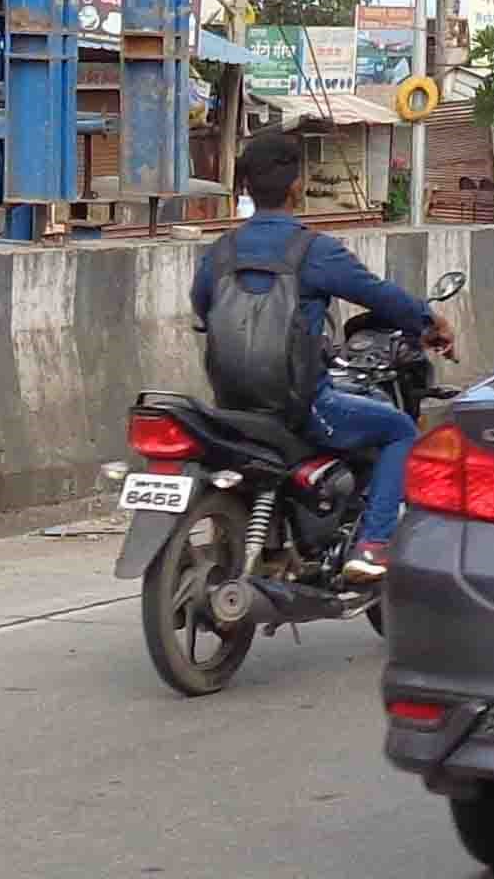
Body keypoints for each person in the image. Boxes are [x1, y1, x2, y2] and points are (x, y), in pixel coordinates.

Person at [190, 129, 452, 587]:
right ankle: (373, 545)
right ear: (296, 187)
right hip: (301, 406)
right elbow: (379, 295)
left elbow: (201, 306)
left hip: (231, 407)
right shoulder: (312, 250)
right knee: (399, 430)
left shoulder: (219, 252)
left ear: (245, 187)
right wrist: (430, 323)